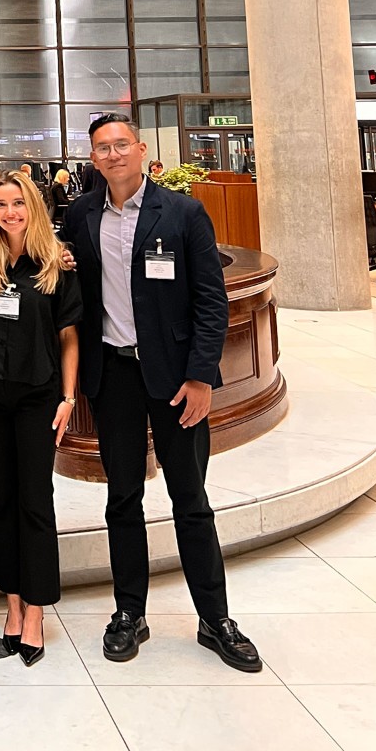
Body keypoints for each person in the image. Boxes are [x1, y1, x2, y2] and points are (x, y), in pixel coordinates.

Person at [61, 113, 262, 673]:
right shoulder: (80, 214)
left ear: (141, 149)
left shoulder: (182, 212)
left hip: (177, 379)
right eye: (102, 147)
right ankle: (130, 612)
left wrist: (201, 376)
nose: (113, 154)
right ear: (93, 157)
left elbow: (211, 300)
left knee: (190, 501)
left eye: (121, 144)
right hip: (115, 377)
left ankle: (215, 618)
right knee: (122, 498)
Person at [0, 171, 80, 667]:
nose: (9, 212)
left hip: (38, 396)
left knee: (35, 500)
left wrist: (68, 399)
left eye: (18, 203)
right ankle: (11, 602)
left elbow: (69, 334)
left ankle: (36, 611)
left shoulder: (58, 261)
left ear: (33, 206)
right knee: (1, 498)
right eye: (0, 205)